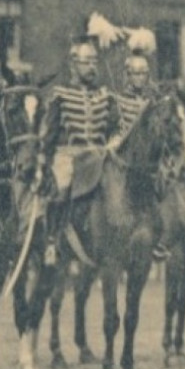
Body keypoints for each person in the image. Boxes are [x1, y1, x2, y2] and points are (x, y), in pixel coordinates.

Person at [37, 37, 122, 266]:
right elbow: (49, 133)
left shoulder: (106, 96)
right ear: (73, 64)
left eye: (94, 61)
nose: (92, 66)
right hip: (68, 155)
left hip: (97, 155)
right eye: (86, 61)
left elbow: (117, 128)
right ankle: (52, 241)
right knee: (61, 188)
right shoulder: (60, 95)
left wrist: (113, 143)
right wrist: (44, 160)